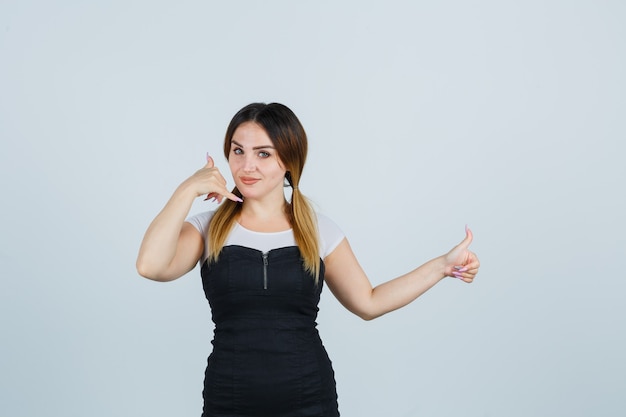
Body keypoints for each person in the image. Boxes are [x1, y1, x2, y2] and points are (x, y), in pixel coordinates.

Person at [136, 102, 480, 417]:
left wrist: (442, 266)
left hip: (309, 400)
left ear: (288, 161)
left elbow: (368, 303)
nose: (247, 165)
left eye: (263, 154)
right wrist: (186, 190)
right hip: (229, 400)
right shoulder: (207, 227)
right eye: (238, 151)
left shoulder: (317, 230)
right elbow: (150, 265)